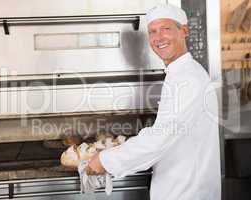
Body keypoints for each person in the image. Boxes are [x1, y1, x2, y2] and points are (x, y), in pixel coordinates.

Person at [86, 3, 221, 200]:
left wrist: (105, 160)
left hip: (187, 192)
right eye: (152, 32)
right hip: (179, 187)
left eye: (166, 29)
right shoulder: (179, 74)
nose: (158, 38)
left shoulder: (188, 79)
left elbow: (160, 138)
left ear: (184, 31)